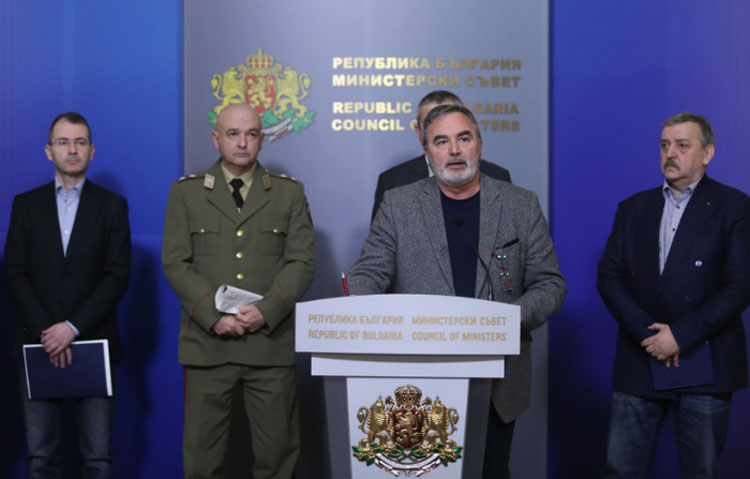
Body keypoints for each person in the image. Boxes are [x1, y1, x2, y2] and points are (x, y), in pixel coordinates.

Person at [347, 104, 566, 478]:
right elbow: (367, 275)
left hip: (497, 380)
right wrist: (362, 311)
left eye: (463, 138)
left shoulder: (520, 203)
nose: (454, 150)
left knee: (490, 471)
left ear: (479, 143)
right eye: (441, 141)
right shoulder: (398, 204)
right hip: (420, 379)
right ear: (427, 151)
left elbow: (550, 284)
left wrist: (511, 319)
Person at [161, 103, 315, 479]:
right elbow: (175, 262)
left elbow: (302, 262)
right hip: (208, 346)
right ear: (217, 139)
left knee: (278, 461)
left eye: (251, 134)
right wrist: (214, 317)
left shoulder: (288, 192)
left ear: (262, 139)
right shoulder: (186, 193)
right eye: (233, 134)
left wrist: (268, 309)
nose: (242, 142)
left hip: (269, 344)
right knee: (202, 463)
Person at [597, 112, 750, 478]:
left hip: (705, 359)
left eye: (682, 145)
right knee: (621, 470)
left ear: (707, 153)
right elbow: (608, 276)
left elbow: (740, 286)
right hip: (641, 355)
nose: (670, 153)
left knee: (700, 472)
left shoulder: (734, 207)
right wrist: (649, 335)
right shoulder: (633, 208)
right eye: (665, 145)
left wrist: (679, 336)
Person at [4, 112, 131, 478]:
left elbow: (117, 276)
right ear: (49, 151)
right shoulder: (25, 205)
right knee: (41, 458)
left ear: (92, 150)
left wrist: (71, 328)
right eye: (63, 142)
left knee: (98, 460)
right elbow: (14, 273)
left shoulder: (112, 205)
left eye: (80, 142)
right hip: (38, 343)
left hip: (93, 342)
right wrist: (49, 332)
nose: (72, 150)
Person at [371, 90, 512, 221]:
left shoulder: (497, 176)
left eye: (462, 138)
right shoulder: (393, 182)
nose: (454, 149)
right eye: (431, 122)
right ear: (419, 132)